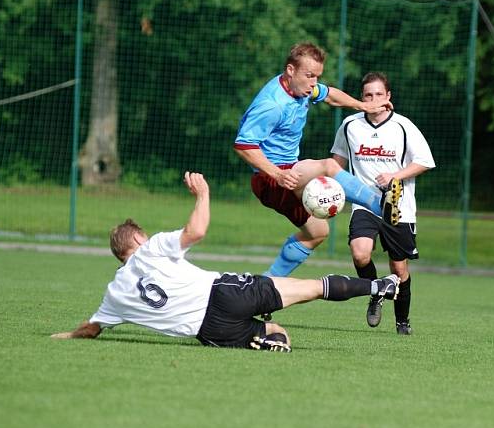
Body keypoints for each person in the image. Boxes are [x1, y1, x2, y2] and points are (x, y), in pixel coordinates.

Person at [50, 172, 400, 352]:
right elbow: (197, 230)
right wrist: (203, 194)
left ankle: (268, 338)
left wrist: (63, 335)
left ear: (118, 255)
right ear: (138, 239)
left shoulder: (114, 295)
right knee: (307, 289)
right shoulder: (152, 247)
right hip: (222, 293)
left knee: (276, 333)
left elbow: (91, 329)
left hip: (211, 332)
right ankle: (378, 285)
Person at [233, 42, 402, 279]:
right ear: (290, 70)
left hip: (288, 173)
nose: (314, 83)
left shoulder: (300, 88)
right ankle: (379, 204)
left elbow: (330, 95)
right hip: (270, 178)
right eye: (309, 76)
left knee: (316, 232)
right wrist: (278, 174)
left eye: (317, 77)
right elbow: (243, 145)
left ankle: (266, 286)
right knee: (329, 166)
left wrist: (363, 105)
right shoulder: (272, 104)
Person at [331, 72, 435, 335]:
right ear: (362, 98)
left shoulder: (403, 126)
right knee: (359, 252)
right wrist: (327, 188)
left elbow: (424, 161)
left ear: (388, 97)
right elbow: (336, 164)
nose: (374, 99)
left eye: (379, 94)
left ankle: (402, 322)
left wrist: (394, 176)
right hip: (364, 203)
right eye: (368, 95)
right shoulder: (350, 125)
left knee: (399, 268)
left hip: (397, 207)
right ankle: (375, 292)